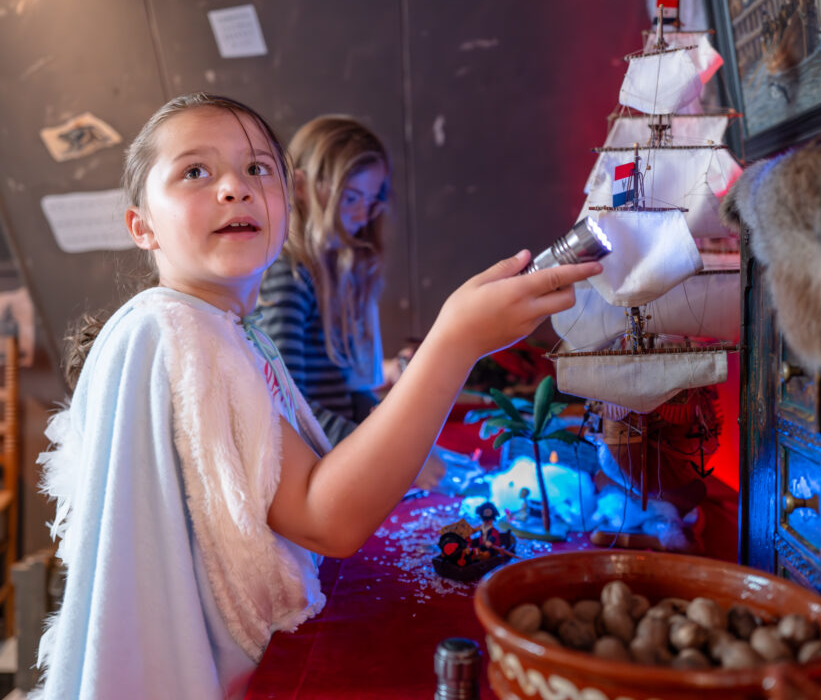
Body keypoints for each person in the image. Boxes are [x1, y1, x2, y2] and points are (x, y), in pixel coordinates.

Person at [36, 92, 601, 700]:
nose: (235, 187)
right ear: (141, 225)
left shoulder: (224, 327)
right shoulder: (178, 328)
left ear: (287, 197)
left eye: (258, 168)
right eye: (195, 171)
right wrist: (455, 341)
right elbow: (327, 520)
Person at [255, 115, 401, 443]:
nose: (362, 216)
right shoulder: (287, 276)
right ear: (302, 187)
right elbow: (287, 403)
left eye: (371, 200)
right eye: (350, 198)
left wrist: (385, 430)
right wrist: (372, 451)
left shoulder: (327, 272)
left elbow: (346, 390)